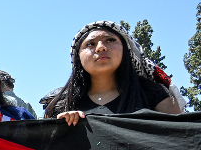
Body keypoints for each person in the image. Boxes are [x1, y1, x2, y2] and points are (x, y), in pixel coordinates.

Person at [45, 21, 183, 120]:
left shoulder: (154, 95)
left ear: (125, 49)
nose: (101, 47)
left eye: (110, 40)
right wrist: (58, 129)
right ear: (78, 57)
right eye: (90, 44)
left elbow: (179, 141)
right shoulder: (60, 104)